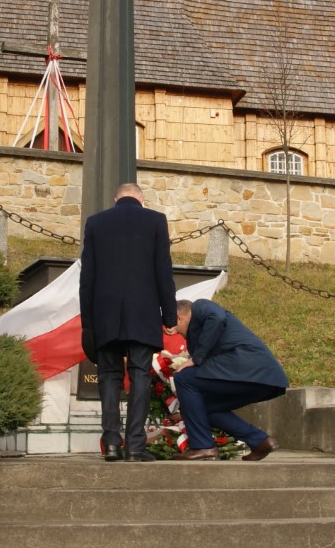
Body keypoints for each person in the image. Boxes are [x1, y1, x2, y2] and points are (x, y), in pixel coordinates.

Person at [79, 182, 177, 461]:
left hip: (104, 314)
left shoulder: (96, 222)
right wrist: (169, 316)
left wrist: (88, 323)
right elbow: (163, 271)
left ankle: (111, 443)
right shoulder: (155, 220)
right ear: (141, 199)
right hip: (142, 313)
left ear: (116, 198)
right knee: (139, 375)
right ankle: (135, 446)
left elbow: (87, 278)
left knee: (109, 376)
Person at [170, 298, 288, 461]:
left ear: (178, 318)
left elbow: (217, 317)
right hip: (262, 377)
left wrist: (197, 358)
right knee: (202, 406)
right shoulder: (199, 335)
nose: (178, 333)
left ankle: (203, 447)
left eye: (175, 329)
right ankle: (260, 441)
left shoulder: (200, 306)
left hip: (247, 366)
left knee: (183, 377)